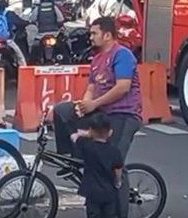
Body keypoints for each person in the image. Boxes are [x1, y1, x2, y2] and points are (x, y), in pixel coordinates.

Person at [52, 16, 142, 218]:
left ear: (108, 35)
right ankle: (75, 159)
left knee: (112, 164)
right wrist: (84, 106)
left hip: (123, 115)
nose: (90, 37)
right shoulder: (97, 59)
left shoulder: (122, 55)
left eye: (94, 33)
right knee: (63, 111)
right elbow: (91, 88)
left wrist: (94, 104)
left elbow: (123, 87)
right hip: (101, 112)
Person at [71, 111, 124, 218]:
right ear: (110, 132)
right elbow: (118, 168)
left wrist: (85, 134)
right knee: (109, 214)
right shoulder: (114, 151)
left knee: (93, 214)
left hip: (92, 191)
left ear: (91, 131)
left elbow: (74, 137)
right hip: (108, 191)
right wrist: (118, 181)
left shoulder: (87, 148)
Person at [0, 0, 28, 66]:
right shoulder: (10, 14)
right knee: (20, 57)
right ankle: (24, 71)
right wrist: (28, 22)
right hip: (7, 40)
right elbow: (19, 22)